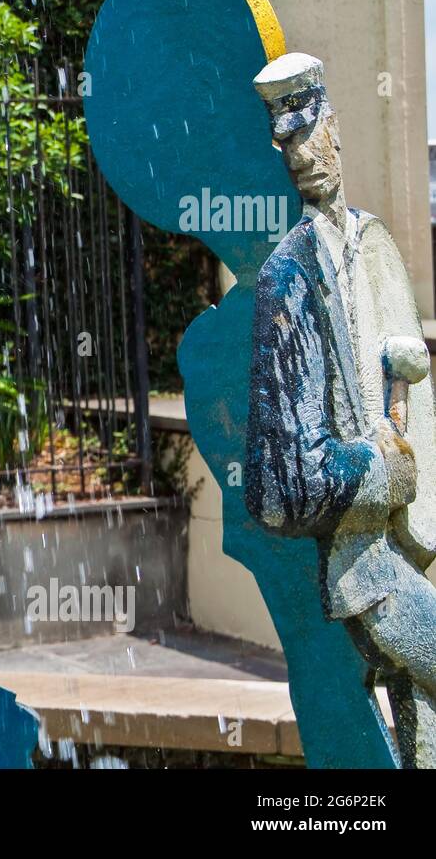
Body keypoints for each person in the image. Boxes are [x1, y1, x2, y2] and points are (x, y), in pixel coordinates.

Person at [245, 52, 436, 767]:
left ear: (335, 126)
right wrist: (380, 468)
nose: (298, 153)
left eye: (308, 130)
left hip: (407, 554)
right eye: (283, 140)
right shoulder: (285, 279)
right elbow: (278, 489)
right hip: (364, 577)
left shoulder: (372, 245)